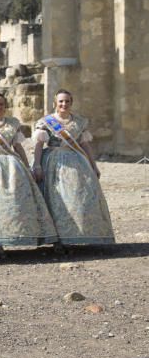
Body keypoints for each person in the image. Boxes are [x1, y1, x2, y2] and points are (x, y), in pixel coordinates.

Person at [0, 93, 57, 258]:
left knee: (10, 204)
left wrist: (28, 167)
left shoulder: (13, 124)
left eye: (1, 104)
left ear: (5, 106)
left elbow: (18, 147)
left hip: (12, 167)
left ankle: (6, 240)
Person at [32, 89, 115, 252]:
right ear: (55, 102)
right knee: (56, 200)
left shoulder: (79, 122)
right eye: (61, 101)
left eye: (67, 101)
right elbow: (38, 146)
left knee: (76, 199)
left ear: (71, 103)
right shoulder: (45, 122)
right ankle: (57, 241)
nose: (64, 104)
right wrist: (36, 165)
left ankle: (73, 235)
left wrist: (93, 165)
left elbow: (85, 145)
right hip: (53, 163)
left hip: (76, 162)